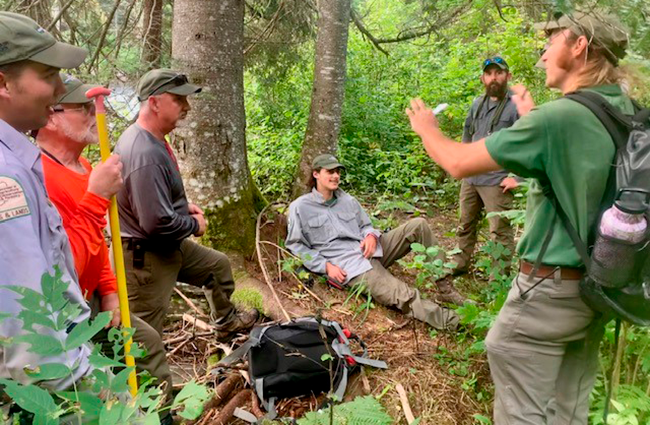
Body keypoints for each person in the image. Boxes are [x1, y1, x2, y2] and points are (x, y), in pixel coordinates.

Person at [406, 10, 631, 424]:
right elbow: (569, 164)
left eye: (551, 41)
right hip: (601, 286)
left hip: (549, 293)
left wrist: (426, 127)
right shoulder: (622, 110)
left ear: (579, 45)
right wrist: (531, 115)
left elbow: (456, 161)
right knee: (567, 411)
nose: (543, 55)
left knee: (518, 393)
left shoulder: (560, 117)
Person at [35, 76, 174, 416]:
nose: (93, 115)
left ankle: (161, 416)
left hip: (93, 297)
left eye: (91, 107)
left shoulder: (83, 166)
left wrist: (109, 290)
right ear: (52, 117)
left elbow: (97, 239)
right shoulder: (40, 177)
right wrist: (96, 197)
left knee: (147, 344)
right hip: (62, 311)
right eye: (81, 108)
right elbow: (62, 265)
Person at [114, 69, 258, 340]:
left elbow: (151, 200)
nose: (187, 107)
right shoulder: (144, 153)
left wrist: (180, 207)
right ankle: (145, 381)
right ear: (155, 103)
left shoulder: (152, 140)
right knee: (144, 338)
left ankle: (226, 322)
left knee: (216, 267)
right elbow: (156, 223)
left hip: (165, 244)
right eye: (179, 100)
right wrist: (193, 224)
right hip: (144, 257)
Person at [0, 12, 102, 390]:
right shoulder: (6, 178)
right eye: (47, 75)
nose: (61, 89)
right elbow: (32, 343)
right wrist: (102, 403)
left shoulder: (23, 162)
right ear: (2, 83)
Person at [286, 154, 461, 330]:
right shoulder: (300, 207)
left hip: (371, 251)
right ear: (316, 174)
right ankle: (456, 322)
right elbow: (296, 245)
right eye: (330, 171)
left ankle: (445, 288)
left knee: (418, 225)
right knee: (403, 294)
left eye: (338, 171)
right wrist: (326, 267)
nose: (336, 176)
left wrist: (371, 235)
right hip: (351, 267)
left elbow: (366, 225)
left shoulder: (347, 200)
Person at [452, 56, 520, 276]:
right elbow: (467, 133)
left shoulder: (516, 106)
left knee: (499, 231)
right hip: (472, 177)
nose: (494, 78)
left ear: (507, 76)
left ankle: (498, 278)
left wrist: (518, 178)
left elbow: (529, 142)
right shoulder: (477, 104)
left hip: (496, 180)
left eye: (499, 73)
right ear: (483, 78)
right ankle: (459, 264)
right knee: (465, 224)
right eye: (489, 73)